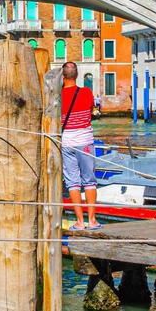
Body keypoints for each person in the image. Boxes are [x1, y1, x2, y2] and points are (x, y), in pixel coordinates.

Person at [59, 62, 100, 230]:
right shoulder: (86, 92)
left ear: (63, 76)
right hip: (85, 142)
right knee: (89, 181)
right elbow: (91, 109)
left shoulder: (58, 96)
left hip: (67, 141)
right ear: (76, 75)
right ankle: (92, 221)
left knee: (72, 182)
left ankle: (79, 222)